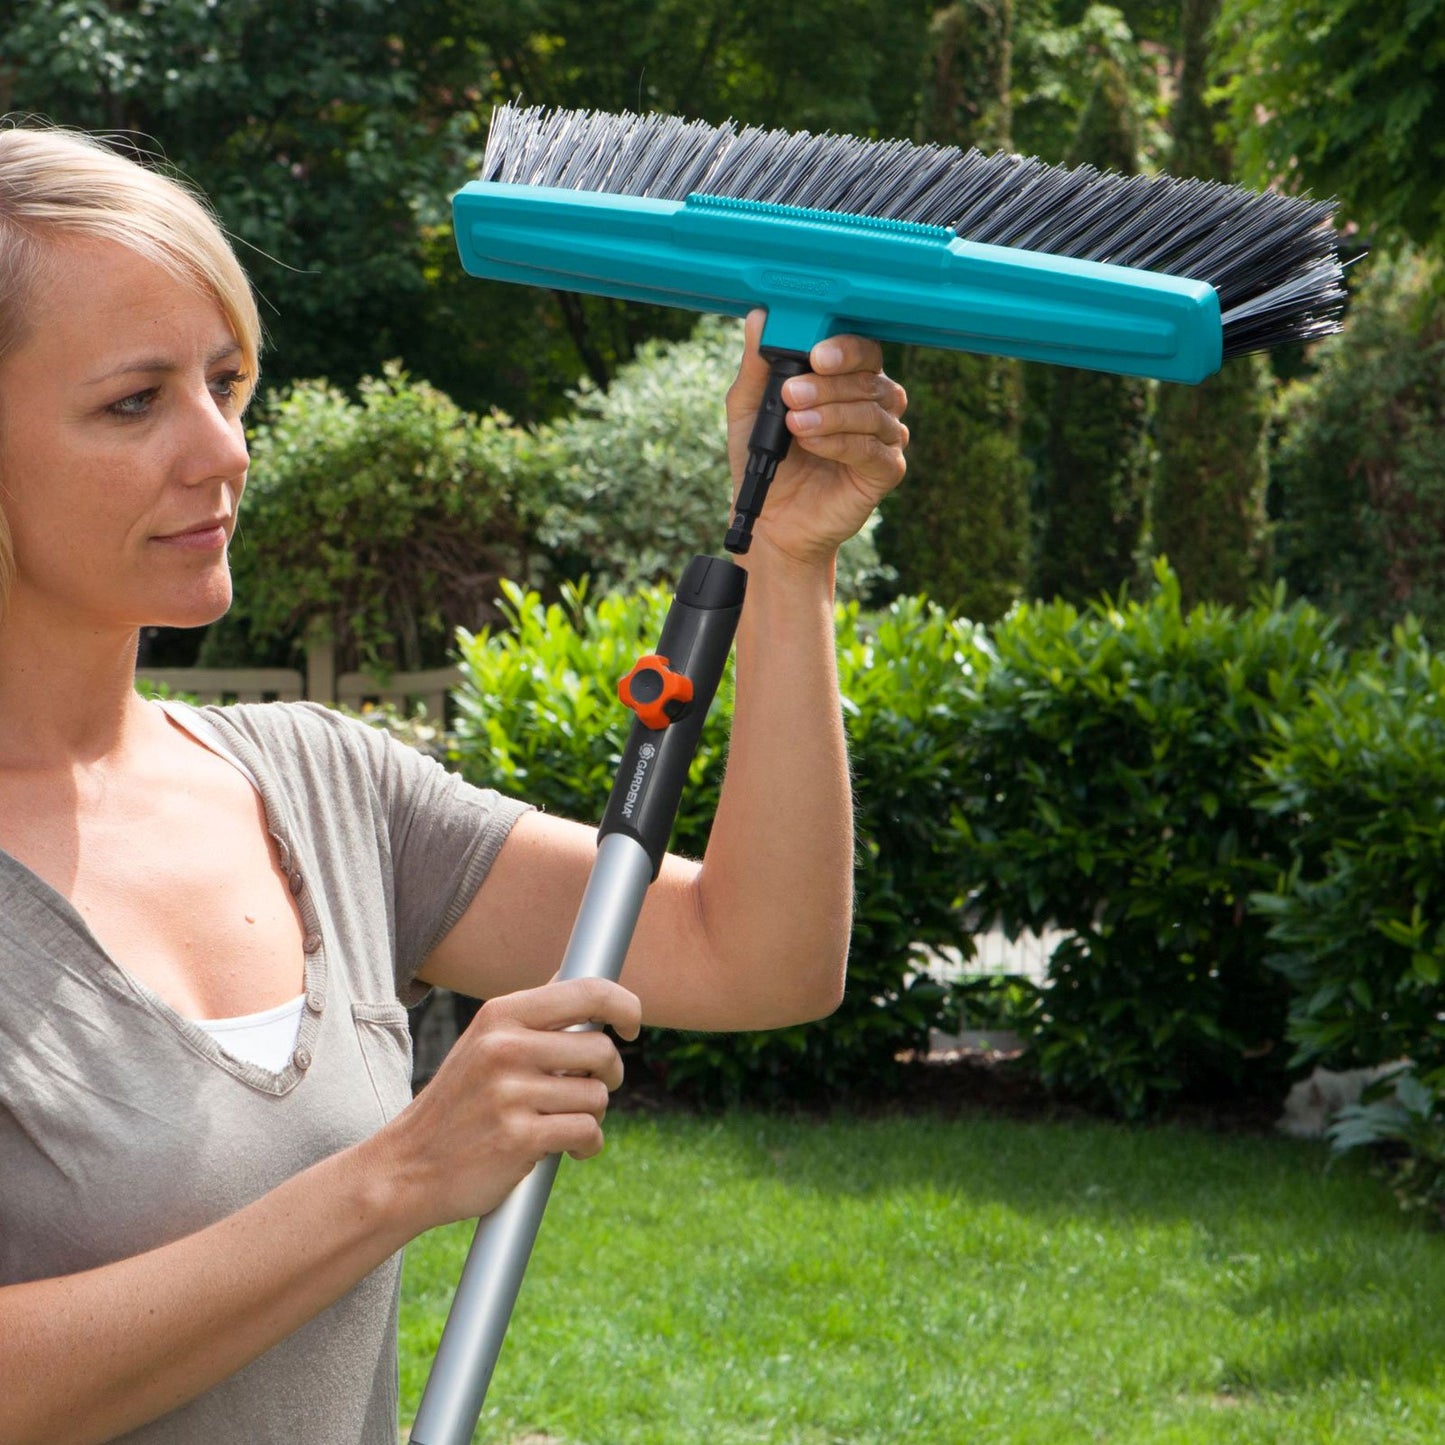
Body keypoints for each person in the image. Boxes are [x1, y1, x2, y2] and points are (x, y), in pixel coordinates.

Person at [0, 121, 909, 1444]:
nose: (222, 450)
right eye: (134, 402)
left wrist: (791, 562)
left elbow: (757, 952)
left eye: (225, 381)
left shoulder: (322, 788)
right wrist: (404, 1174)